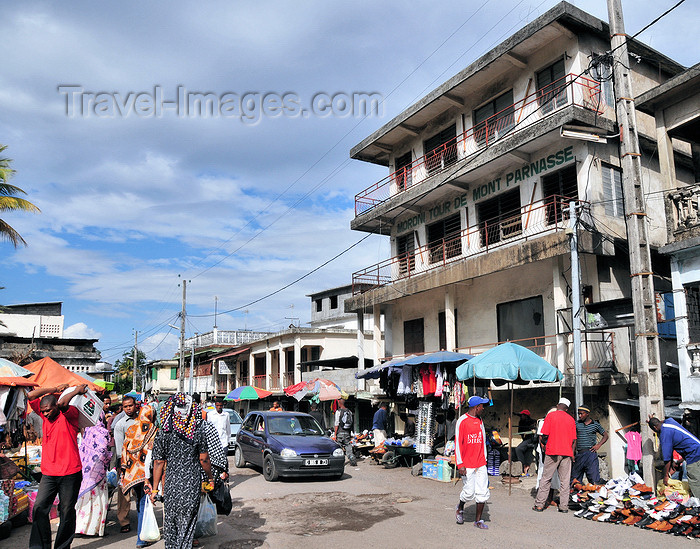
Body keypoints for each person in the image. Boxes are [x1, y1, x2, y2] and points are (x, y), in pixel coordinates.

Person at [27, 383, 87, 549]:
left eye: (48, 410)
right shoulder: (44, 415)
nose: (45, 414)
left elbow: (62, 404)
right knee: (39, 508)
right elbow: (31, 397)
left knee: (67, 511)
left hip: (70, 471)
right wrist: (52, 389)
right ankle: (40, 546)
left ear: (56, 406)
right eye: (43, 410)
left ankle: (62, 546)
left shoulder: (70, 415)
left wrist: (75, 391)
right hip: (49, 473)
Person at [150, 393, 214, 549]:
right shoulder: (197, 430)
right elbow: (204, 459)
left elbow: (158, 462)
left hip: (171, 485)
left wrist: (154, 489)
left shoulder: (164, 431)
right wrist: (210, 478)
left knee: (171, 524)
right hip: (191, 485)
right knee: (187, 525)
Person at [121, 402, 157, 548]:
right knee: (144, 503)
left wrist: (124, 471)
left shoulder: (131, 428)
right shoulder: (153, 430)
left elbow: (124, 452)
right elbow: (156, 454)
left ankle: (142, 534)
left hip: (131, 474)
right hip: (145, 474)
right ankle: (141, 538)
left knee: (140, 502)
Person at [533, 397, 576, 513]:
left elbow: (544, 434)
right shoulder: (571, 419)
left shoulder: (550, 416)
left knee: (546, 478)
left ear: (558, 405)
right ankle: (563, 507)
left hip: (552, 451)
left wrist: (544, 444)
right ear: (566, 409)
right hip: (566, 452)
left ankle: (539, 505)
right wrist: (572, 453)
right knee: (565, 481)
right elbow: (573, 439)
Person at [454, 395, 490, 529]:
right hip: (467, 463)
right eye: (482, 406)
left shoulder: (480, 421)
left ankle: (478, 521)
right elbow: (458, 443)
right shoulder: (462, 421)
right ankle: (460, 507)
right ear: (476, 407)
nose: (483, 409)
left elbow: (482, 441)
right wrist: (460, 464)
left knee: (482, 492)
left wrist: (484, 460)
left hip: (480, 462)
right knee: (469, 492)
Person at [75, 413, 112, 537]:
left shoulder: (87, 431)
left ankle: (81, 528)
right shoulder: (104, 432)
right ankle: (95, 529)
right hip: (98, 473)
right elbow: (104, 451)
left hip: (85, 471)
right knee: (98, 501)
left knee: (85, 499)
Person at [648, 415, 700, 497]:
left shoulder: (665, 435)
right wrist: (676, 462)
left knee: (695, 481)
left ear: (655, 428)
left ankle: (698, 503)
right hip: (697, 447)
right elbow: (659, 422)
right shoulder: (669, 421)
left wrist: (666, 476)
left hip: (694, 454)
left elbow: (667, 459)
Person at [114, 395, 141, 533]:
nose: (128, 408)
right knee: (124, 493)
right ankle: (124, 521)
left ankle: (142, 519)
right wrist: (121, 467)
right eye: (125, 406)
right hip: (127, 463)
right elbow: (119, 449)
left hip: (141, 463)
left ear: (136, 405)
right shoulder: (120, 424)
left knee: (141, 493)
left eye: (130, 405)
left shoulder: (143, 419)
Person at [570, 405, 608, 484]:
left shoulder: (595, 424)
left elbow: (605, 435)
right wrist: (572, 453)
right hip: (579, 454)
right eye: (579, 414)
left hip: (591, 454)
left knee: (594, 479)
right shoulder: (576, 424)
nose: (580, 416)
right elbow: (574, 439)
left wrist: (599, 445)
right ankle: (575, 495)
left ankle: (594, 494)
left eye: (581, 414)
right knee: (575, 479)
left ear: (587, 414)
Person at [514, 409, 537, 477]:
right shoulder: (521, 422)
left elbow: (535, 426)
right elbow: (520, 432)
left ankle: (523, 465)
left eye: (523, 415)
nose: (521, 417)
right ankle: (524, 466)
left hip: (531, 439)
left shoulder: (532, 421)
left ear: (526, 416)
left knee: (518, 449)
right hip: (525, 439)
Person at [333, 399, 356, 466]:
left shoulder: (338, 412)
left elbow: (336, 424)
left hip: (340, 432)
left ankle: (338, 462)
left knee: (338, 448)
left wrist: (335, 434)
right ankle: (351, 458)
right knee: (348, 446)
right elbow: (352, 423)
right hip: (347, 432)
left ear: (339, 403)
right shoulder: (349, 412)